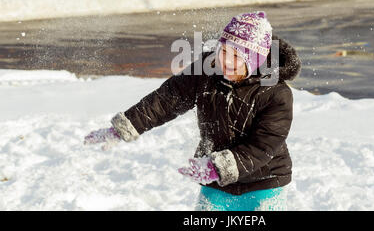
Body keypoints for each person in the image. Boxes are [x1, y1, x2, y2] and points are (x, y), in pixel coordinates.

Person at [84, 11, 302, 211]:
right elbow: (166, 101)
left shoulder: (276, 94)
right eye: (223, 50)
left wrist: (218, 167)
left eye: (237, 56)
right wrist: (125, 127)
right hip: (217, 186)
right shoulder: (205, 71)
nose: (225, 61)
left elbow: (263, 145)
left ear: (255, 60)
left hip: (264, 184)